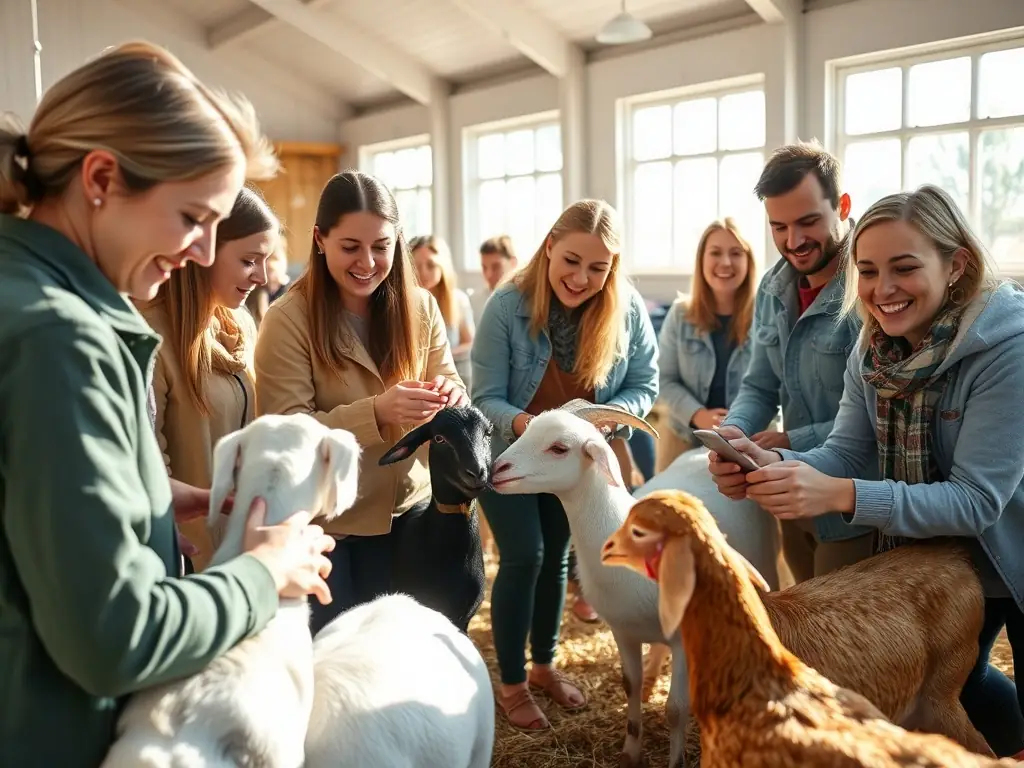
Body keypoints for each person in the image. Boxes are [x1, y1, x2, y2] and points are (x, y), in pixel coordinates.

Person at [0, 41, 334, 767]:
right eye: (192, 217)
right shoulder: (62, 338)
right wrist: (262, 574)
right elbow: (111, 637)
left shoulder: (20, 289)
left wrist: (149, 496)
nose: (203, 250)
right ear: (100, 179)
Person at [710, 184, 1024, 758]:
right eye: (869, 270)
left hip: (1012, 548)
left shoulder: (1008, 348)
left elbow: (978, 501)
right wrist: (774, 465)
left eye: (904, 268)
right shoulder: (873, 346)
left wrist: (842, 495)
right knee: (964, 687)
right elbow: (847, 451)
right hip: (942, 557)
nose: (882, 290)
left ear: (956, 265)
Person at [254, 171, 470, 635]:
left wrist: (452, 395)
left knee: (403, 655)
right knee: (341, 658)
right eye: (350, 247)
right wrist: (377, 413)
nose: (368, 262)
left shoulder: (421, 307)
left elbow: (448, 377)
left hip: (411, 514)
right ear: (319, 240)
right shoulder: (286, 320)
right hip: (333, 528)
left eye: (382, 246)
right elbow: (288, 431)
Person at [471, 199, 658, 731]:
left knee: (557, 555)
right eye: (571, 260)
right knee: (525, 555)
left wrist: (609, 420)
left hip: (571, 459)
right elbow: (483, 397)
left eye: (598, 268)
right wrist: (532, 429)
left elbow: (644, 382)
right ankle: (510, 684)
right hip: (512, 448)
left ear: (613, 267)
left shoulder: (626, 308)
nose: (581, 278)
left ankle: (544, 666)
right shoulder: (507, 305)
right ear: (550, 245)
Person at [713, 140, 875, 582]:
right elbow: (759, 386)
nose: (794, 241)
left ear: (842, 206)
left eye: (808, 222)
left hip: (854, 508)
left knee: (843, 645)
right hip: (788, 499)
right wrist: (734, 435)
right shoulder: (771, 287)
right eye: (778, 227)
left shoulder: (876, 285)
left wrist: (787, 441)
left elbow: (883, 416)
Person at [139, 185, 280, 571]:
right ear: (204, 252)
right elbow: (150, 461)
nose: (263, 276)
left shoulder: (241, 324)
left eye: (266, 261)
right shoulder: (151, 336)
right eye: (250, 260)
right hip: (188, 553)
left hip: (243, 544)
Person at [655, 217, 757, 473]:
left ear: (748, 261)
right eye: (715, 253)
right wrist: (697, 414)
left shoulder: (766, 317)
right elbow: (663, 380)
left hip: (749, 441)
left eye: (736, 253)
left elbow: (773, 388)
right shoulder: (680, 314)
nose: (725, 262)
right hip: (682, 438)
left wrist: (739, 422)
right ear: (702, 260)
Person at [411, 234, 475, 390]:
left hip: (448, 377)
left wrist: (441, 356)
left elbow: (469, 342)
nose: (423, 272)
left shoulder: (458, 299)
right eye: (416, 266)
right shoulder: (404, 303)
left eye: (431, 265)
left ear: (443, 267)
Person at [246, 237, 290, 326]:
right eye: (266, 260)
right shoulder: (248, 292)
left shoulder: (292, 293)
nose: (270, 265)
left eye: (275, 259)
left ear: (285, 260)